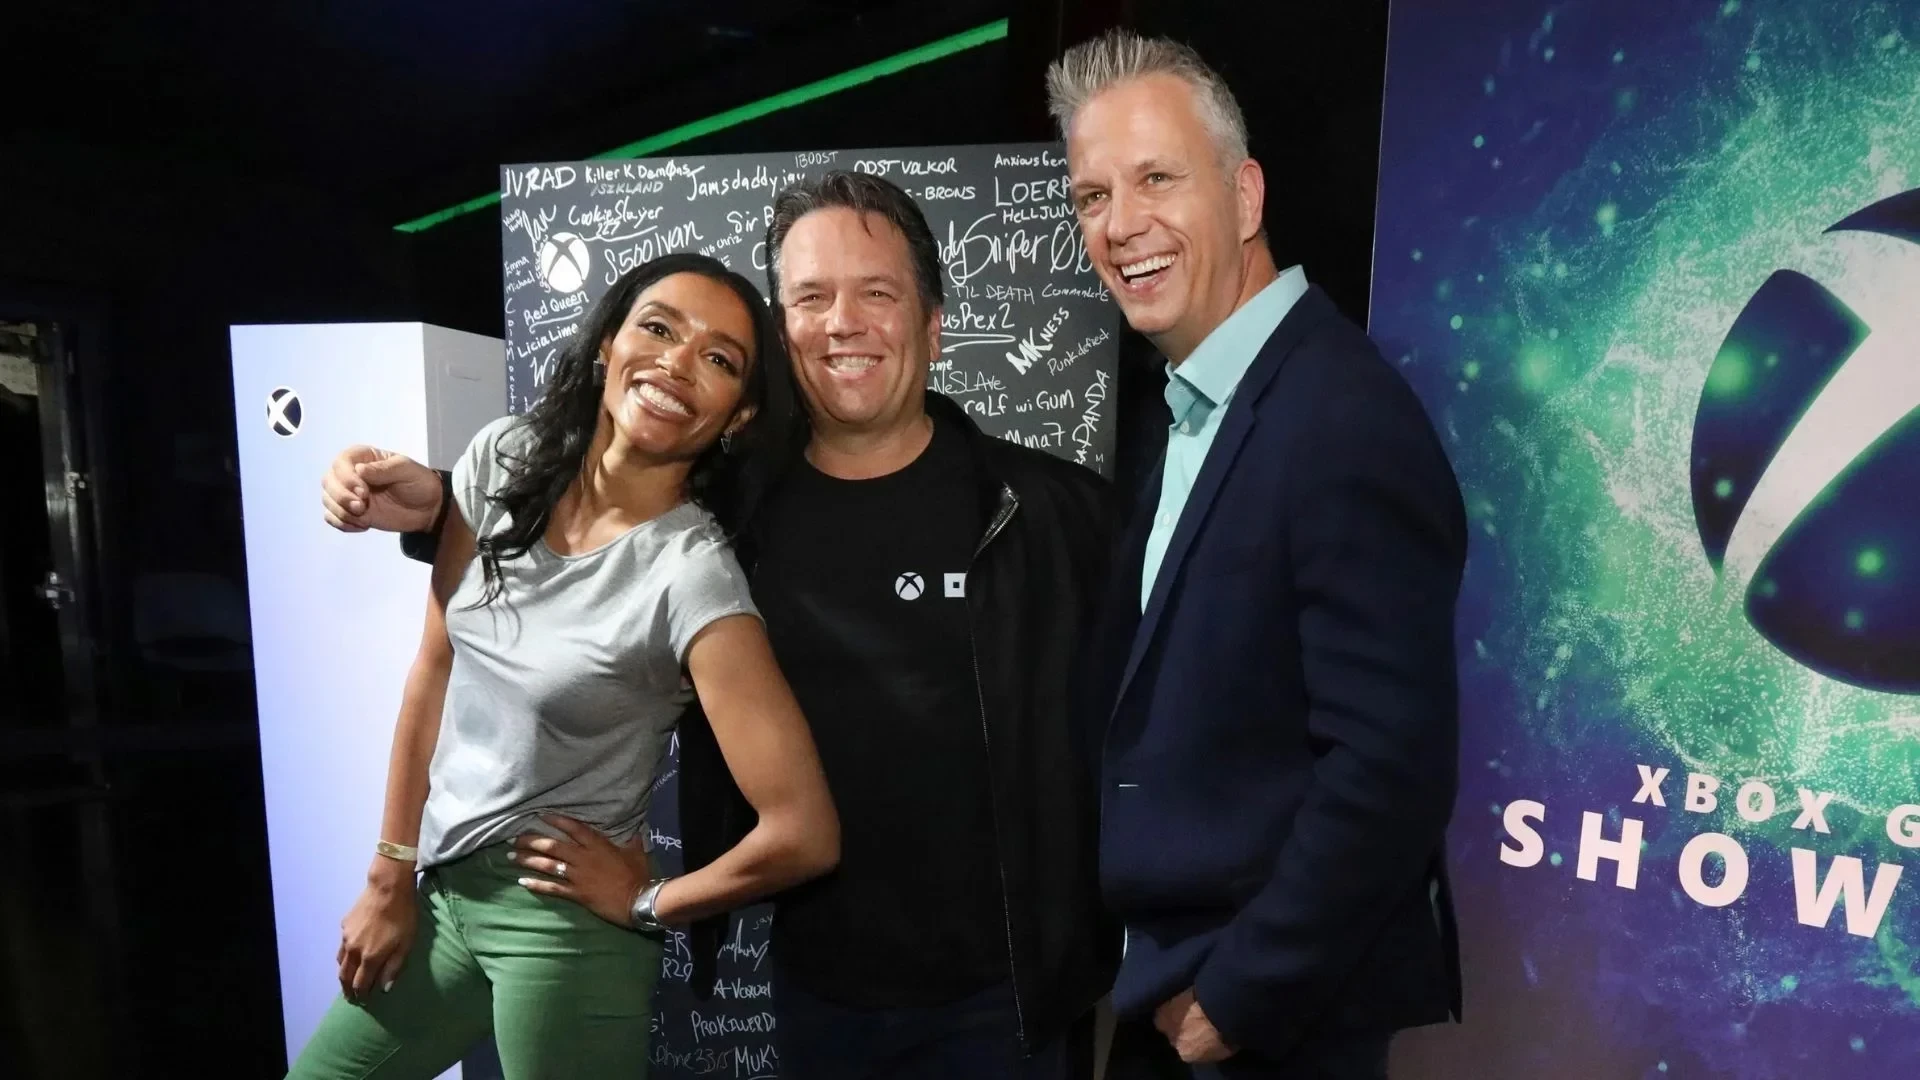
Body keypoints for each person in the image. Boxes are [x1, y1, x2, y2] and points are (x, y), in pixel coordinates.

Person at [319, 172, 1120, 1079]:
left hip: (1007, 999)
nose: (842, 323)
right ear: (782, 337)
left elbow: (1147, 734)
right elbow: (595, 530)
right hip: (816, 985)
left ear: (933, 327)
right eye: (811, 298)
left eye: (877, 294)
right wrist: (439, 503)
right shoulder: (728, 515)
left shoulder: (1053, 516)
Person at [290, 253, 840, 1080]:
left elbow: (804, 832)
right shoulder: (502, 460)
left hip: (563, 929)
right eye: (658, 328)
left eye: (719, 359)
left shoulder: (691, 576)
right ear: (607, 344)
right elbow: (433, 671)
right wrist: (388, 873)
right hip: (440, 895)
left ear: (739, 413)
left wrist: (649, 901)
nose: (677, 363)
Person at [1046, 30, 1467, 1080]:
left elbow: (1391, 763)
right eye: (1093, 195)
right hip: (1174, 994)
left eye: (1156, 179)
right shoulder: (1202, 405)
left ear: (1244, 196)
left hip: (1266, 1026)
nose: (1120, 224)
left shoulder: (1340, 414)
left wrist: (1240, 999)